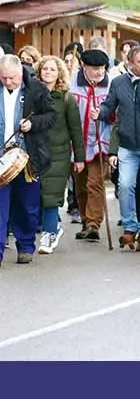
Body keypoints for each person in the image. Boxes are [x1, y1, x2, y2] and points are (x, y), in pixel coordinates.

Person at [97, 46, 140, 252]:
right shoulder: (118, 84)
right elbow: (110, 109)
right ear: (129, 64)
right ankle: (130, 227)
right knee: (124, 186)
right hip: (127, 145)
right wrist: (99, 112)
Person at [0, 55, 57, 265]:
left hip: (27, 158)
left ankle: (25, 246)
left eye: (11, 78)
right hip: (1, 156)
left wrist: (32, 123)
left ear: (20, 73)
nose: (7, 82)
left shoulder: (36, 88)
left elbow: (52, 116)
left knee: (27, 205)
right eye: (3, 78)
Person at [35, 56, 85, 255]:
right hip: (35, 152)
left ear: (59, 74)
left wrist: (79, 157)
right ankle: (50, 227)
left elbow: (75, 129)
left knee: (52, 195)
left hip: (59, 153)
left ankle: (48, 234)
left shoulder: (66, 98)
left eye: (52, 69)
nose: (47, 72)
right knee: (35, 195)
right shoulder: (32, 94)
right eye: (44, 69)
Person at [69, 49, 114, 242]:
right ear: (83, 66)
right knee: (80, 185)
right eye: (94, 68)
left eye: (102, 68)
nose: (98, 72)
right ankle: (86, 220)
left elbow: (116, 112)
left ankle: (94, 224)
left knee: (95, 183)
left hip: (100, 141)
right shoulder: (71, 83)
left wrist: (105, 113)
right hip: (76, 143)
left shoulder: (111, 84)